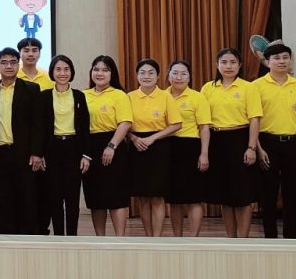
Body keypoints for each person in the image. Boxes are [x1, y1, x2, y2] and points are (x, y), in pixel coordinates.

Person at [252, 43, 296, 239]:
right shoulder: (256, 86)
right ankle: (270, 239)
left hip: (295, 144)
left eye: (285, 57)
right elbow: (253, 120)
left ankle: (291, 238)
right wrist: (258, 148)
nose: (282, 61)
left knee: (292, 196)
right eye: (277, 58)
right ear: (267, 62)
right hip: (267, 143)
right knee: (268, 195)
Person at [200, 47, 262, 238]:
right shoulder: (207, 88)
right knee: (224, 194)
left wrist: (251, 147)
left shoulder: (248, 88)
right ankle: (231, 239)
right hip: (216, 141)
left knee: (242, 194)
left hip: (240, 139)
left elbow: (255, 119)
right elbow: (203, 121)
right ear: (217, 65)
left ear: (239, 65)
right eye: (224, 62)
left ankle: (243, 239)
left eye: (233, 62)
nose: (228, 66)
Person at [0, 47, 43, 233]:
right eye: (4, 62)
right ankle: (5, 241)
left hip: (25, 155)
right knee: (4, 202)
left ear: (18, 65)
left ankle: (28, 242)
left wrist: (37, 153)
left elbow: (38, 124)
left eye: (13, 62)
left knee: (27, 201)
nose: (9, 66)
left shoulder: (31, 89)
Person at [127, 59, 181, 237]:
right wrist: (133, 138)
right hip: (137, 147)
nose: (146, 76)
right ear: (137, 76)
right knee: (142, 197)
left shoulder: (166, 96)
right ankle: (148, 237)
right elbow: (123, 124)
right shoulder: (129, 97)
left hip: (160, 148)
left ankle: (157, 238)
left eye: (151, 73)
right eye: (142, 72)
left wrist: (152, 138)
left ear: (158, 76)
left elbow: (176, 124)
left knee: (158, 196)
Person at [39, 54, 91, 235]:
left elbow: (85, 127)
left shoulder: (79, 96)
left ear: (72, 72)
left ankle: (72, 236)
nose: (62, 73)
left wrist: (86, 155)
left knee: (72, 197)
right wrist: (40, 153)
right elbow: (40, 128)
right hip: (52, 149)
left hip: (73, 148)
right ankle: (59, 236)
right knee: (54, 197)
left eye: (66, 69)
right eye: (58, 69)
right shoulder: (44, 96)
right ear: (52, 72)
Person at [82, 55, 133, 236]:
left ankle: (119, 240)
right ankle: (100, 239)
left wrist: (111, 146)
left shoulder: (119, 95)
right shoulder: (84, 95)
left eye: (105, 70)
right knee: (96, 198)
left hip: (113, 145)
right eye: (96, 69)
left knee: (116, 196)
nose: (100, 73)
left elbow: (125, 123)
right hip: (89, 148)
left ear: (112, 74)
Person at [165, 60, 212, 237]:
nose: (179, 77)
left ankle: (193, 238)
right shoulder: (162, 96)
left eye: (183, 73)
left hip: (191, 147)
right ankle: (177, 237)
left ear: (190, 77)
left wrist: (204, 154)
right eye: (175, 73)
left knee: (194, 197)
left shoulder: (198, 97)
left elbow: (204, 127)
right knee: (174, 198)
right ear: (168, 75)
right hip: (168, 148)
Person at [16, 36, 54, 233]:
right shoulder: (12, 77)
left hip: (45, 139)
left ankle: (42, 228)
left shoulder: (48, 78)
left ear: (40, 53)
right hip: (19, 142)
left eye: (34, 50)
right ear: (20, 54)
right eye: (26, 50)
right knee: (23, 189)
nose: (30, 54)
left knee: (44, 188)